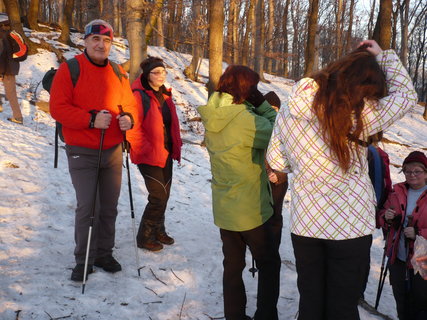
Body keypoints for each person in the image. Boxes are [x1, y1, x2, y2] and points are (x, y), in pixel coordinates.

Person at [266, 40, 418, 320]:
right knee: (343, 306)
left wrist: (304, 161)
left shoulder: (289, 109)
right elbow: (407, 96)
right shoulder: (360, 116)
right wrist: (382, 56)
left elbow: (277, 162)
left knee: (310, 302)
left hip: (307, 223)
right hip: (350, 226)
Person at [49, 19, 137, 281]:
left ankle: (103, 253)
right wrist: (90, 119)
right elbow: (58, 108)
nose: (101, 44)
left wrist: (128, 119)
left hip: (112, 149)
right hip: (82, 149)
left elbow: (130, 105)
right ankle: (83, 258)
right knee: (88, 206)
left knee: (109, 206)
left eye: (106, 40)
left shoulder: (118, 72)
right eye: (96, 39)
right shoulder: (70, 69)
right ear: (85, 42)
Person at [198, 65, 281, 320]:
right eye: (253, 87)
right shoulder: (246, 120)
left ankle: (234, 315)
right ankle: (265, 316)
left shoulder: (213, 113)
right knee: (269, 264)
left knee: (232, 266)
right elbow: (277, 134)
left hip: (224, 206)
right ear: (245, 89)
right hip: (250, 207)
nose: (256, 91)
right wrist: (263, 106)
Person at [126, 56, 182, 252]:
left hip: (166, 151)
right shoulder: (138, 95)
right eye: (156, 72)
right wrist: (143, 149)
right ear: (147, 75)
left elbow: (170, 124)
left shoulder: (165, 95)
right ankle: (145, 236)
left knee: (164, 194)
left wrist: (175, 146)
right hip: (148, 154)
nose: (161, 76)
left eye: (164, 72)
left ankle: (159, 230)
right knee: (157, 195)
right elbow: (133, 128)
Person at [379, 151, 427, 319]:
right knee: (401, 301)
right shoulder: (397, 191)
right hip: (398, 257)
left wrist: (419, 233)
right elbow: (381, 217)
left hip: (423, 260)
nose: (411, 175)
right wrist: (386, 217)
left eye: (417, 171)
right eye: (407, 171)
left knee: (421, 303)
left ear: (426, 173)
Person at [264, 91, 288, 248]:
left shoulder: (285, 128)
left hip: (278, 179)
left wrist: (280, 174)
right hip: (260, 177)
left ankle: (273, 246)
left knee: (275, 214)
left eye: (276, 108)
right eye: (269, 108)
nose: (273, 112)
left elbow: (290, 155)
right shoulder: (257, 125)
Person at [0, 20, 23, 124]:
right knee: (11, 93)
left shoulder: (4, 38)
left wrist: (1, 73)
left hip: (7, 70)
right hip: (10, 68)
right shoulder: (12, 36)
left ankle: (18, 117)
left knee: (11, 94)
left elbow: (3, 57)